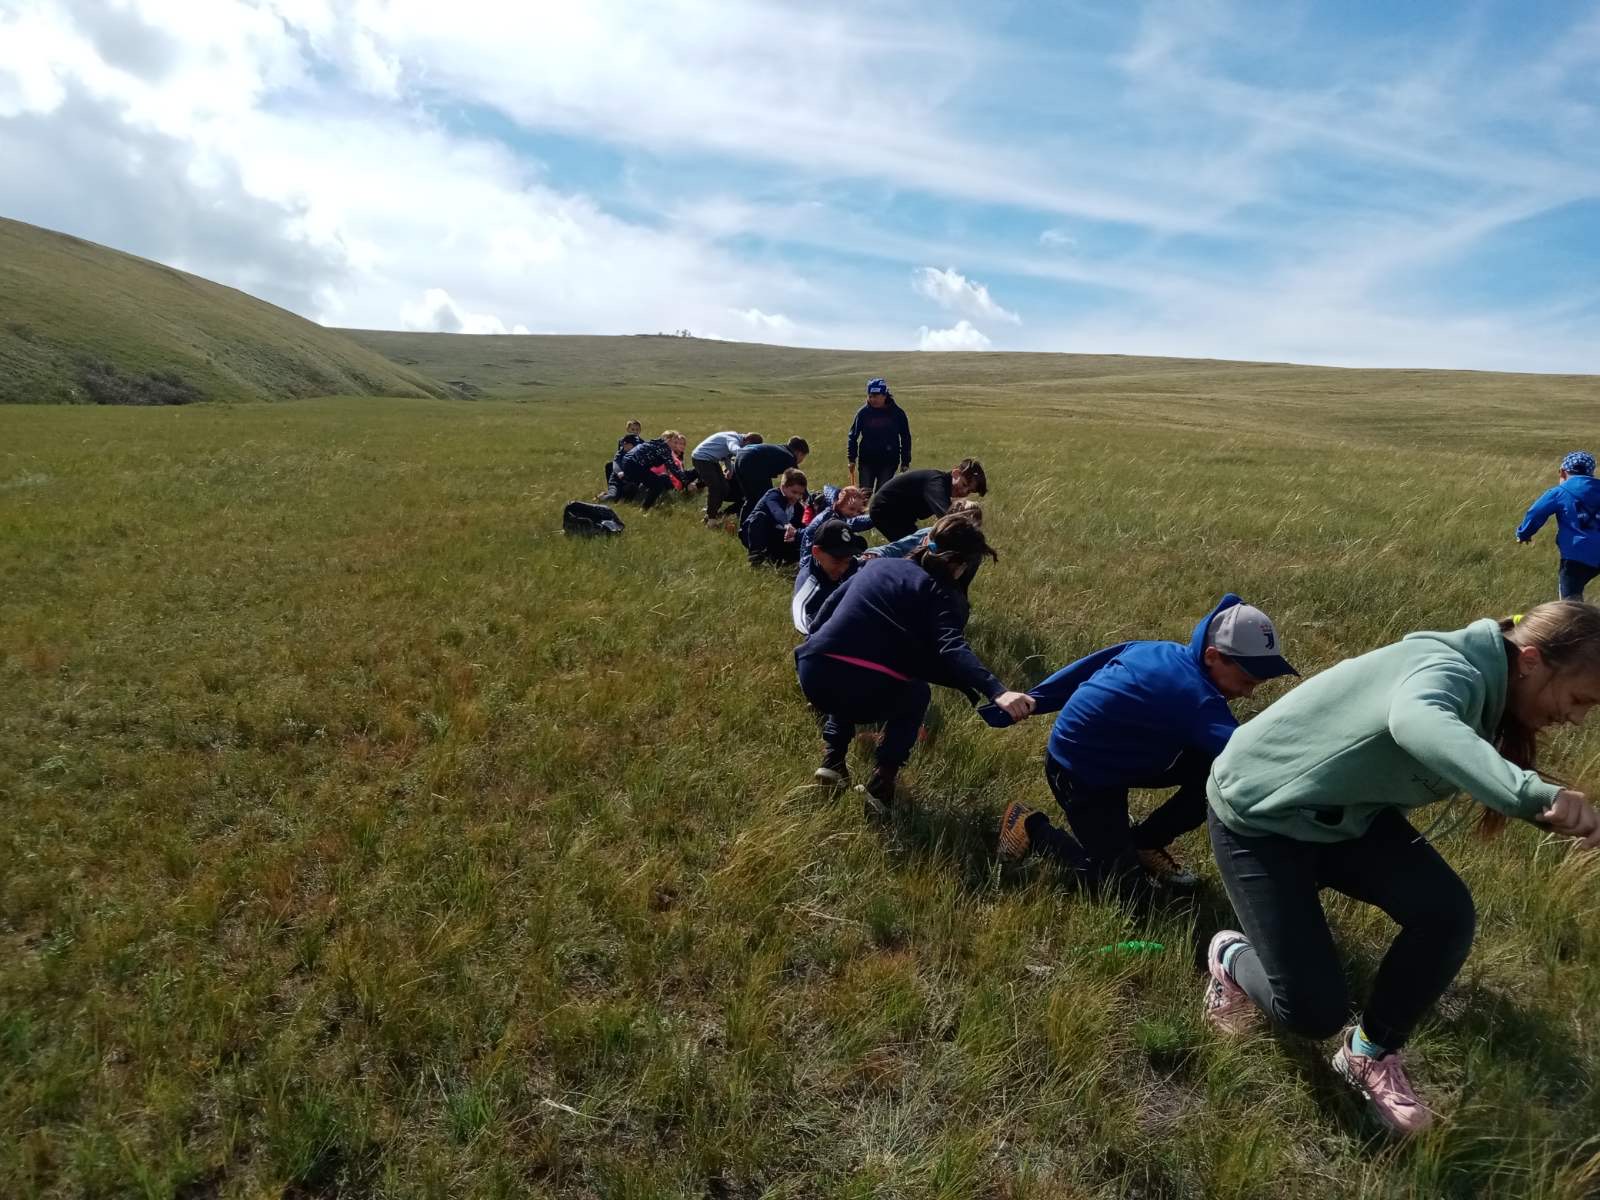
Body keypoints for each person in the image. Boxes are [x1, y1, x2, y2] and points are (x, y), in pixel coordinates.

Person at [1199, 602, 1600, 1135]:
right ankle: (1230, 956)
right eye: (1579, 699)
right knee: (1313, 1013)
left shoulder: (1493, 685)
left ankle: (1367, 1052)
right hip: (1261, 818)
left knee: (1445, 913)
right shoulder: (1448, 670)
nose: (1577, 718)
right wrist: (1534, 794)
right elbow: (1418, 721)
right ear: (1530, 661)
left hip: (1344, 814)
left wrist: (1548, 810)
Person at [996, 596, 1296, 889]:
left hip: (1124, 757)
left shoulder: (1163, 651)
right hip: (1080, 772)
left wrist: (1038, 698)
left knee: (1218, 772)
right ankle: (1030, 826)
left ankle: (1145, 843)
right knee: (1121, 887)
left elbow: (1091, 666)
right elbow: (1250, 758)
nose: (1248, 694)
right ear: (1212, 656)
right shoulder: (1195, 699)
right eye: (1246, 681)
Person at [795, 512, 1035, 813]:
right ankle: (882, 784)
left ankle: (832, 760)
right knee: (915, 692)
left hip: (813, 670)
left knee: (855, 663)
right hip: (855, 686)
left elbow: (826, 611)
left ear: (926, 541)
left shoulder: (875, 565)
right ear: (958, 565)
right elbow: (952, 647)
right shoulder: (941, 594)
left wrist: (812, 648)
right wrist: (998, 691)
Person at [1516, 451, 1600, 599]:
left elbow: (1536, 513)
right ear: (1591, 473)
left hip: (1576, 555)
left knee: (1570, 602)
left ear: (1562, 472)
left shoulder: (1559, 492)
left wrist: (1524, 533)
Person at [868, 458, 986, 542]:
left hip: (901, 517)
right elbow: (947, 516)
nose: (964, 492)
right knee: (914, 551)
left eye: (969, 491)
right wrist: (970, 536)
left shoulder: (941, 485)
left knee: (919, 548)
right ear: (956, 473)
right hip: (885, 511)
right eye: (964, 484)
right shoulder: (937, 483)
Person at [792, 518, 868, 634]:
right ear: (816, 552)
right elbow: (805, 627)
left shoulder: (853, 565)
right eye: (836, 562)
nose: (843, 568)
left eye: (847, 561)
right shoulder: (808, 587)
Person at [847, 378, 912, 495]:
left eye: (876, 396)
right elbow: (853, 436)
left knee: (882, 496)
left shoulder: (897, 413)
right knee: (864, 495)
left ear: (885, 395)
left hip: (889, 461)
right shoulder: (863, 413)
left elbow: (905, 438)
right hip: (867, 461)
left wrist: (905, 462)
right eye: (870, 396)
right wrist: (851, 458)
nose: (873, 399)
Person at [734, 437, 810, 526]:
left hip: (740, 456)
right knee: (766, 499)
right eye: (803, 457)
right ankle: (763, 526)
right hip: (753, 460)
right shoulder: (789, 457)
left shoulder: (780, 449)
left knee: (751, 498)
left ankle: (744, 527)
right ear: (799, 453)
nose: (801, 461)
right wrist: (809, 499)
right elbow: (799, 481)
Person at [691, 430, 761, 524]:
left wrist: (730, 470)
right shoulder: (733, 438)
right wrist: (747, 453)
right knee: (716, 487)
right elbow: (733, 449)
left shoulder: (736, 438)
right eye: (749, 447)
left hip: (711, 460)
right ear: (747, 442)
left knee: (724, 488)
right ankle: (711, 519)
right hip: (701, 458)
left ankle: (711, 513)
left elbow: (727, 456)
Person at [743, 468, 808, 567]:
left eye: (800, 494)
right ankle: (756, 558)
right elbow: (776, 510)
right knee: (759, 517)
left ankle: (779, 559)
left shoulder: (798, 508)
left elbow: (800, 527)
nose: (797, 497)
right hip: (754, 533)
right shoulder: (773, 495)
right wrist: (787, 524)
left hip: (776, 537)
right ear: (783, 487)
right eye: (794, 492)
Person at [618, 430, 690, 511]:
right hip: (636, 466)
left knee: (641, 480)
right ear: (667, 440)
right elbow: (673, 468)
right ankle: (644, 509)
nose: (676, 445)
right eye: (675, 442)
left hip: (627, 462)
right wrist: (686, 483)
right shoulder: (665, 449)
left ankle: (622, 500)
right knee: (657, 485)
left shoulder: (655, 442)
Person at [798, 485, 872, 561]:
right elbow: (810, 538)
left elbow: (854, 523)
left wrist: (873, 517)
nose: (855, 513)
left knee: (859, 542)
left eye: (858, 511)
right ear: (840, 503)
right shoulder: (829, 518)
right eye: (852, 509)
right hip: (812, 559)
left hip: (821, 553)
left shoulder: (839, 514)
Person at [597, 420, 644, 502]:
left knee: (628, 494)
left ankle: (618, 494)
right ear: (628, 430)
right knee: (613, 496)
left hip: (631, 478)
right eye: (632, 429)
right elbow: (618, 460)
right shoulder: (623, 444)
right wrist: (619, 472)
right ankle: (604, 496)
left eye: (637, 429)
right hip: (619, 477)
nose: (635, 432)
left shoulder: (642, 444)